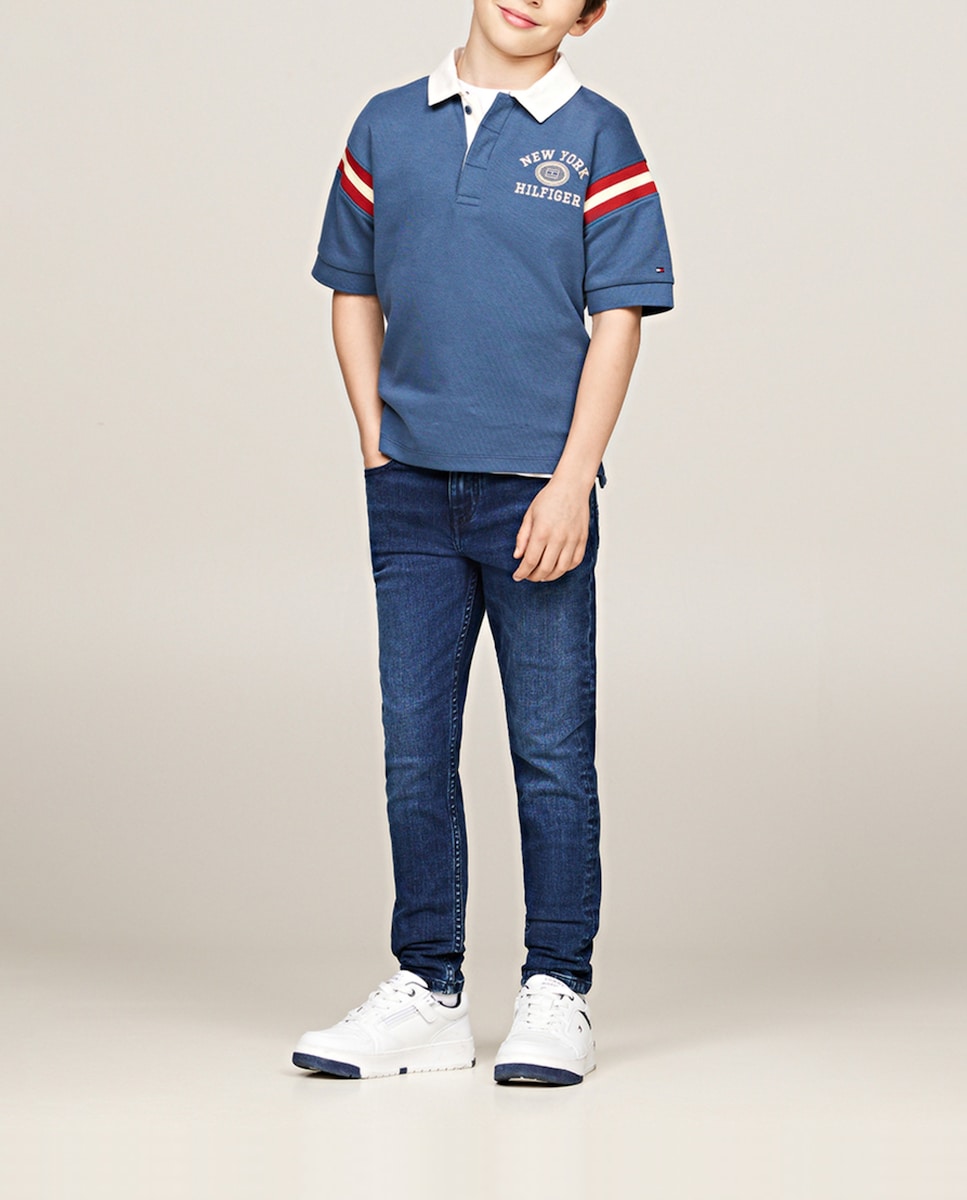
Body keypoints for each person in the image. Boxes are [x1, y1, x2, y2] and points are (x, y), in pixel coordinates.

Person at [292, 0, 673, 1086]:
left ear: (588, 17)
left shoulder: (596, 134)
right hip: (411, 494)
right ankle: (428, 992)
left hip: (535, 500)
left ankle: (557, 988)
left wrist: (571, 483)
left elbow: (618, 317)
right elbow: (352, 287)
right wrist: (375, 441)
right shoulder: (385, 123)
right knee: (414, 749)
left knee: (550, 755)